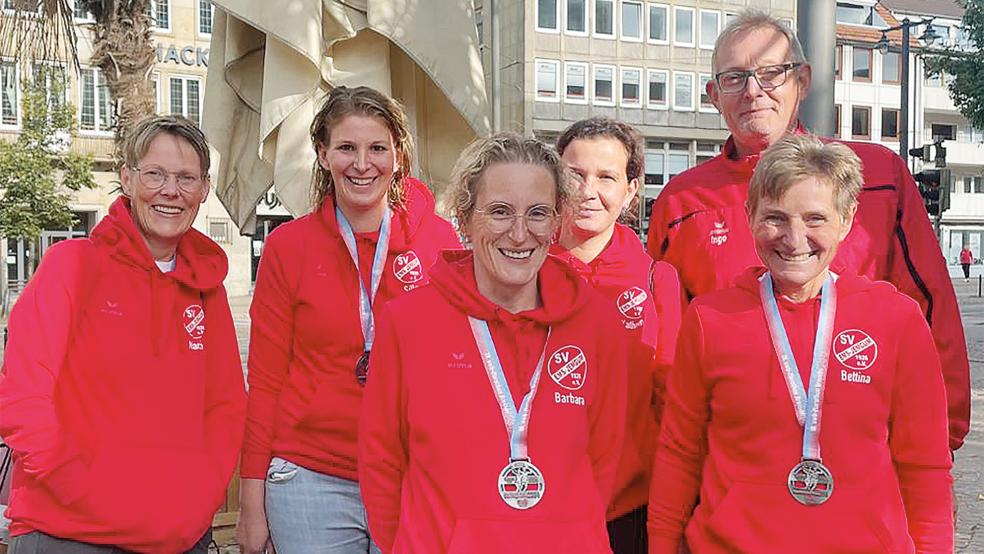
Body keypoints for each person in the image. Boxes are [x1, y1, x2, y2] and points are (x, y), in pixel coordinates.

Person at [646, 10, 970, 453]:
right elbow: (668, 347)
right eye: (735, 78)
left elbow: (930, 307)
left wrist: (940, 442)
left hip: (861, 447)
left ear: (802, 80)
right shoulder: (682, 202)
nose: (753, 91)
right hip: (733, 456)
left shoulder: (876, 175)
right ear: (714, 95)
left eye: (770, 73)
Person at [648, 134, 954, 553]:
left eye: (815, 219)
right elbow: (679, 454)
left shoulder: (896, 319)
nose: (793, 239)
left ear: (846, 221)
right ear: (749, 216)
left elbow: (926, 468)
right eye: (775, 217)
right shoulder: (710, 320)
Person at [359, 133, 629, 553]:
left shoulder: (597, 323)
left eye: (538, 213)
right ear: (465, 220)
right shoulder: (406, 323)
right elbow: (381, 463)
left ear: (558, 220)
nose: (520, 234)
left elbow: (607, 460)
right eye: (500, 212)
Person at [0, 115, 247, 553]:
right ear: (128, 178)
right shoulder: (72, 266)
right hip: (69, 531)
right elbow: (23, 394)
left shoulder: (207, 290)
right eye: (155, 174)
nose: (170, 191)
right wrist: (76, 484)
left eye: (186, 178)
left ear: (203, 189)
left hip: (175, 536)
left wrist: (198, 500)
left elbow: (225, 408)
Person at [237, 86, 461, 554]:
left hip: (411, 475)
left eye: (377, 148)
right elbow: (265, 379)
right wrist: (251, 500)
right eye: (346, 148)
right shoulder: (288, 248)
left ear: (398, 155)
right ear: (323, 155)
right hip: (309, 476)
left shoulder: (440, 243)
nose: (362, 164)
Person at [551, 117, 683, 554]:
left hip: (627, 505)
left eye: (606, 177)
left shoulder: (654, 279)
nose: (589, 191)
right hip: (535, 497)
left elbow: (669, 397)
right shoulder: (523, 271)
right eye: (575, 175)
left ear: (630, 190)